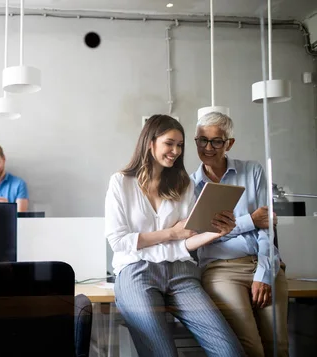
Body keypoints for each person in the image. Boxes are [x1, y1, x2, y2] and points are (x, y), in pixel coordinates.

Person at [105, 114, 245, 357]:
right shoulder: (121, 183)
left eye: (180, 145)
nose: (176, 151)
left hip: (181, 272)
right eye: (169, 143)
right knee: (163, 353)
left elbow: (186, 241)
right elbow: (119, 241)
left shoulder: (184, 185)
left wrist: (215, 233)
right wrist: (171, 232)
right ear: (151, 143)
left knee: (230, 351)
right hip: (136, 271)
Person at [192, 112, 288, 357]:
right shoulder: (189, 185)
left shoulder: (253, 171)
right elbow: (202, 234)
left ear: (229, 144)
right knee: (251, 347)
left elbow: (267, 226)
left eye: (216, 141)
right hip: (221, 270)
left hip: (265, 264)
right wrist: (250, 220)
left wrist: (264, 274)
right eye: (202, 140)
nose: (208, 147)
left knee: (278, 346)